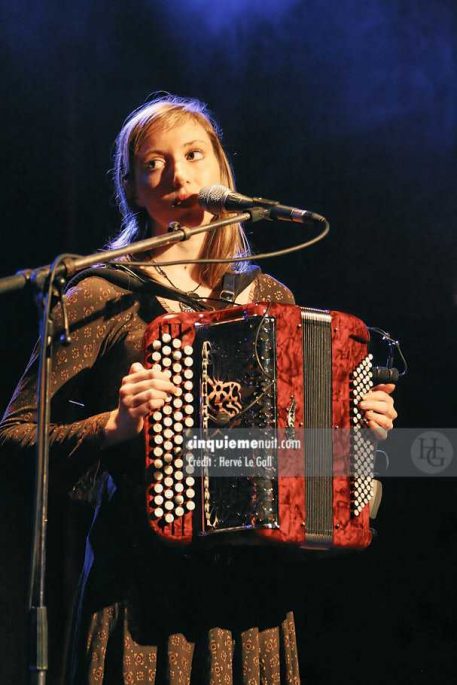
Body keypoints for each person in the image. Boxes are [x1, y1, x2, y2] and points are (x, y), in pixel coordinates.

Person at [0, 95, 397, 684]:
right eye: (154, 163)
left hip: (253, 601)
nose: (178, 175)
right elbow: (14, 436)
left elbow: (301, 462)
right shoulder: (101, 293)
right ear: (133, 187)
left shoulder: (271, 299)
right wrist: (113, 427)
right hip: (141, 594)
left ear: (221, 174)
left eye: (193, 155)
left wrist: (355, 437)